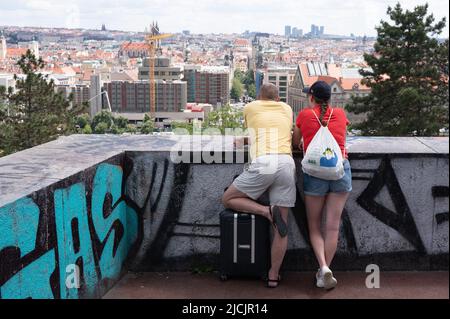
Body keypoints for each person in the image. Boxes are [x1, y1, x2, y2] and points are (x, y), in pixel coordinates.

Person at [222, 83, 296, 288]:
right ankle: (273, 276)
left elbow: (258, 131)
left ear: (258, 97)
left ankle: (265, 211)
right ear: (278, 99)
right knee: (282, 228)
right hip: (286, 163)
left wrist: (243, 141)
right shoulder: (287, 109)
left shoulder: (250, 107)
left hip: (264, 162)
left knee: (228, 198)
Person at [292, 81, 352, 290]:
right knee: (333, 226)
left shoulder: (305, 116)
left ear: (311, 97)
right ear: (329, 98)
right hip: (339, 169)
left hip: (315, 173)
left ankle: (323, 267)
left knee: (315, 225)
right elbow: (342, 135)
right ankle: (325, 270)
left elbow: (295, 141)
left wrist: (304, 142)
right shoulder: (341, 114)